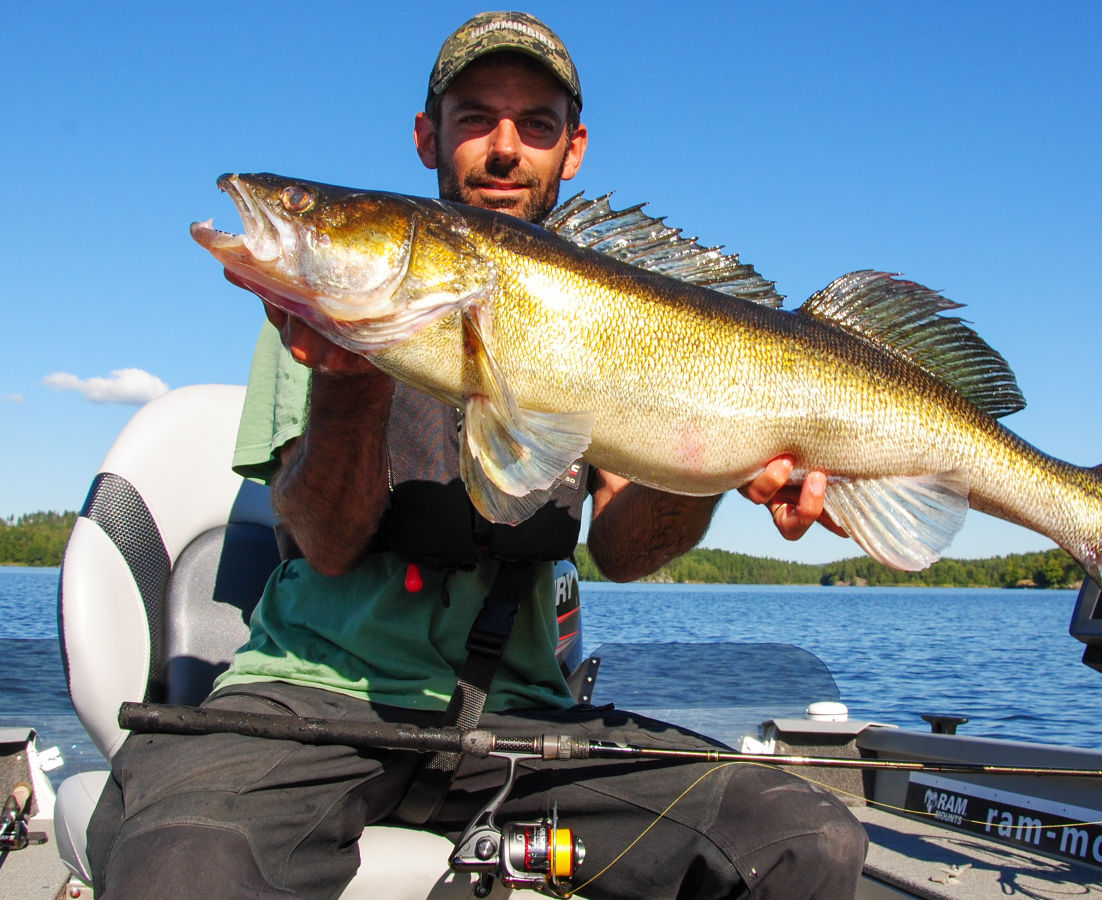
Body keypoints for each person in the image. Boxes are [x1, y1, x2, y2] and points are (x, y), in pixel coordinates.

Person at [87, 11, 866, 899]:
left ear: (572, 150)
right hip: (311, 698)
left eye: (536, 124)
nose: (505, 147)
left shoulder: (620, 316)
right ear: (428, 137)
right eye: (474, 118)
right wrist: (351, 375)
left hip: (525, 717)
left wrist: (723, 462)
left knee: (801, 839)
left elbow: (624, 550)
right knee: (185, 861)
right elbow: (328, 542)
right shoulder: (310, 316)